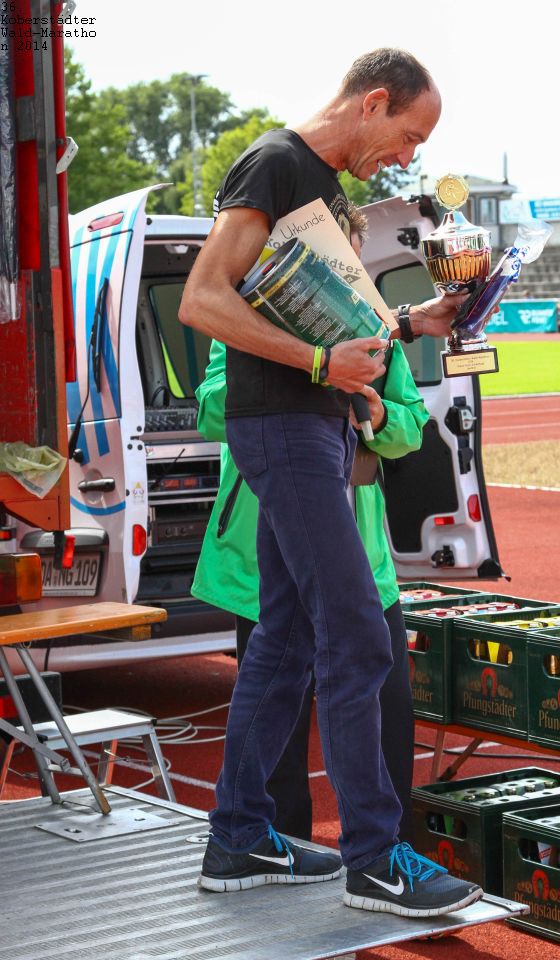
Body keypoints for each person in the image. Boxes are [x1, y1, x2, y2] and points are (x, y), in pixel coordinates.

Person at [179, 47, 482, 918]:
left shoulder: (320, 186)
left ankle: (238, 836)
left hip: (307, 426)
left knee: (283, 640)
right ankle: (376, 860)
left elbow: (309, 306)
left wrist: (410, 322)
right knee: (355, 638)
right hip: (283, 427)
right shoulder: (276, 163)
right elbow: (202, 300)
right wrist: (319, 364)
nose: (409, 157)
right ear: (373, 101)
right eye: (409, 136)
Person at [192, 205, 423, 846]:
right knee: (279, 744)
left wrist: (376, 415)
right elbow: (210, 409)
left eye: (350, 262)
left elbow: (411, 425)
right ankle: (271, 852)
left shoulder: (374, 325)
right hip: (264, 567)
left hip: (364, 565)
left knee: (388, 724)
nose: (340, 275)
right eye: (329, 258)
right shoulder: (243, 321)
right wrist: (305, 367)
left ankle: (390, 854)